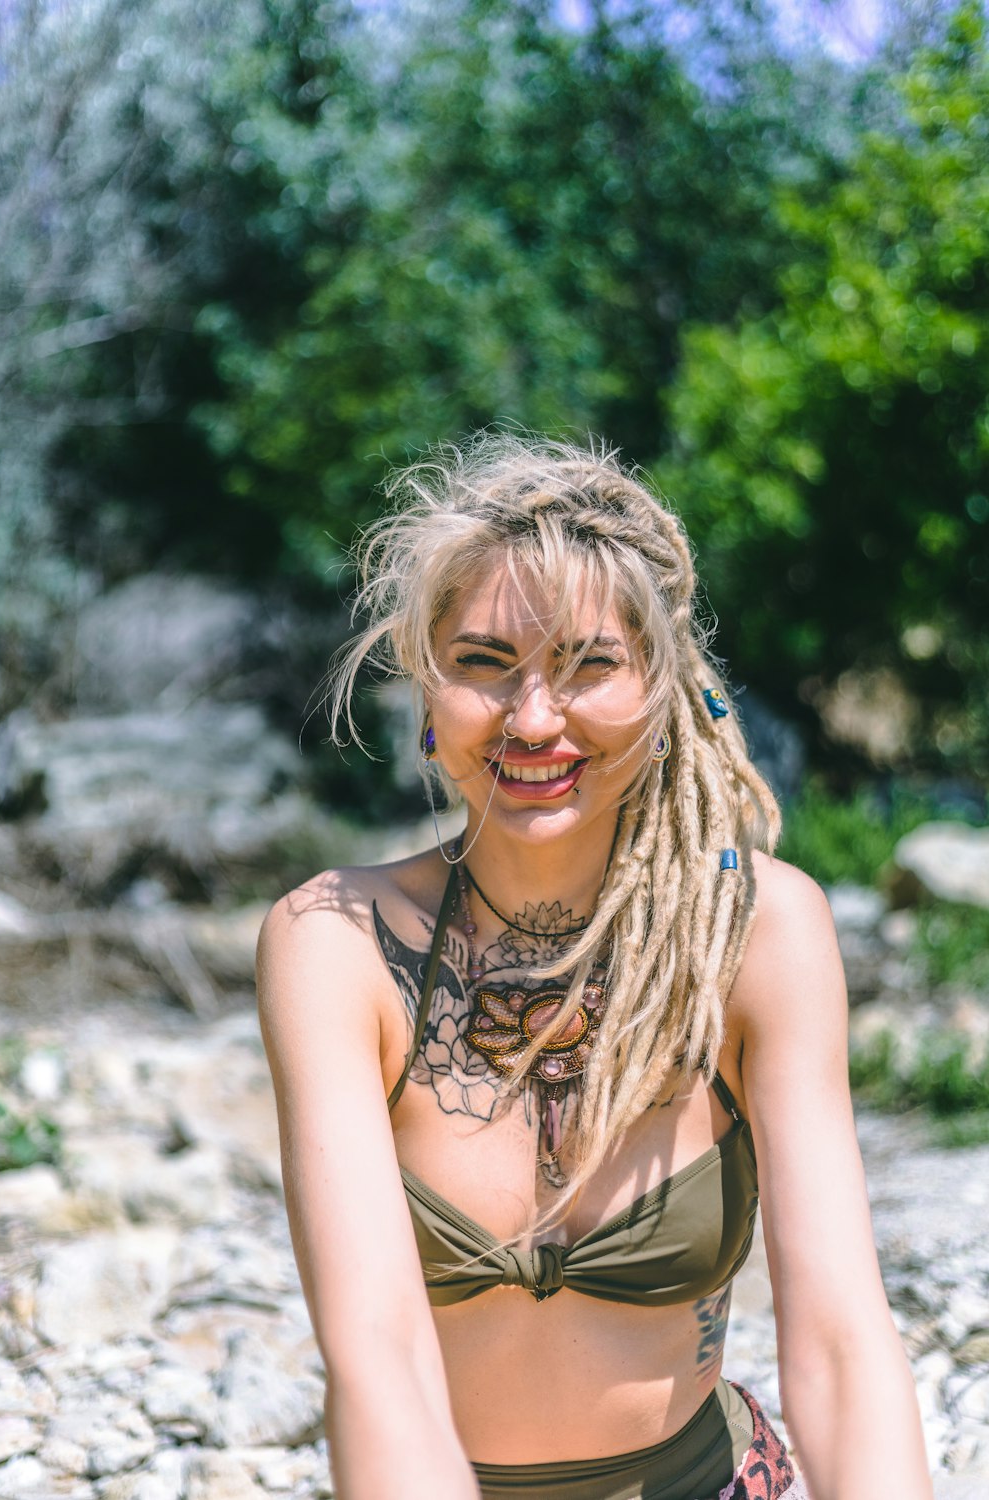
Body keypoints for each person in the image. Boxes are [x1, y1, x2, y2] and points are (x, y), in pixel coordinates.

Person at [256, 434, 933, 1500]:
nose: (532, 719)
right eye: (482, 664)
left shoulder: (752, 933)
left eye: (588, 664)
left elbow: (843, 1342)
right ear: (427, 694)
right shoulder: (333, 944)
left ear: (662, 685)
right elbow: (377, 1363)